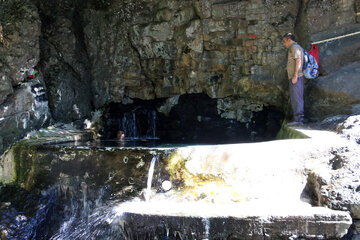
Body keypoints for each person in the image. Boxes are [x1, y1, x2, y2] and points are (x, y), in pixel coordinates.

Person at [283, 33, 305, 126]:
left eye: (284, 41)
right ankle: (298, 119)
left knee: (297, 98)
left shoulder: (294, 48)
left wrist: (295, 75)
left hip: (297, 77)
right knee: (295, 97)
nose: (284, 44)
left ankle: (299, 120)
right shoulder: (294, 48)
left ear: (289, 39)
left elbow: (298, 61)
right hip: (295, 77)